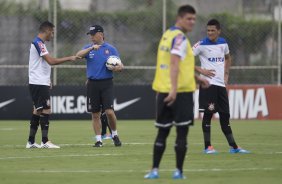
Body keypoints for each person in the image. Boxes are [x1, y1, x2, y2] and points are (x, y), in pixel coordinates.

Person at [144, 5, 209, 179]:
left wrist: (197, 78)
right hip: (179, 93)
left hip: (164, 90)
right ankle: (178, 172)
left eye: (194, 19)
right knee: (181, 133)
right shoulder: (180, 38)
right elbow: (174, 63)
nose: (192, 22)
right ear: (179, 18)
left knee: (162, 132)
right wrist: (174, 90)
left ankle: (154, 171)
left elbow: (178, 66)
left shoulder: (167, 34)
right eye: (189, 18)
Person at [193, 19, 250, 154]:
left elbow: (228, 58)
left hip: (220, 85)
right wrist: (201, 71)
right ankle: (208, 147)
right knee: (208, 115)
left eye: (213, 30)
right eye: (208, 30)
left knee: (225, 115)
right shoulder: (200, 45)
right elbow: (184, 60)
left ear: (218, 31)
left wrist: (226, 74)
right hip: (208, 85)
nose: (210, 33)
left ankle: (234, 147)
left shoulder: (223, 43)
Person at [26, 21, 80, 149]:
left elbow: (42, 64)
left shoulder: (40, 43)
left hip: (39, 81)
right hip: (38, 83)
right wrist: (69, 58)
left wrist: (47, 79)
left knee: (38, 110)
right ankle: (45, 141)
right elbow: (51, 61)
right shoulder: (38, 43)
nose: (53, 35)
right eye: (53, 32)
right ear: (47, 31)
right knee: (46, 109)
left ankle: (31, 141)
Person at [76, 25, 123, 147]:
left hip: (107, 83)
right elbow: (78, 55)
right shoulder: (89, 48)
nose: (91, 37)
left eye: (93, 34)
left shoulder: (111, 49)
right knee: (95, 114)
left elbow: (120, 65)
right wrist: (91, 48)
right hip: (92, 84)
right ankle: (98, 140)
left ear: (100, 34)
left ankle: (115, 134)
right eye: (90, 35)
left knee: (109, 112)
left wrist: (118, 68)